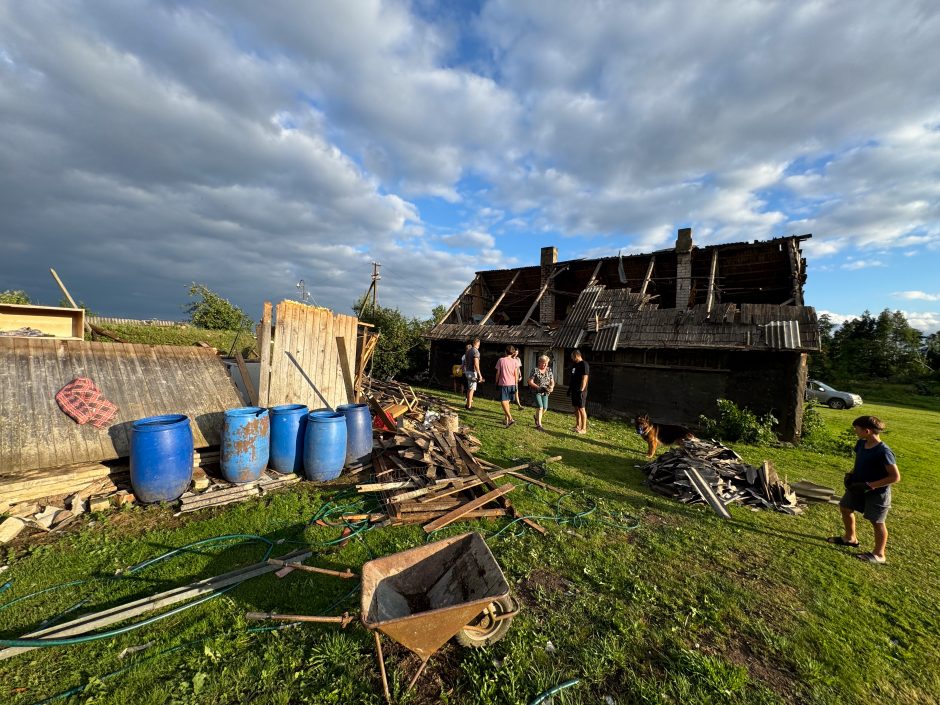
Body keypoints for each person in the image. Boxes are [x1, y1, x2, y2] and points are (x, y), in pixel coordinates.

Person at [827, 415, 901, 564]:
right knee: (845, 507)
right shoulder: (861, 443)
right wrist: (851, 474)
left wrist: (869, 485)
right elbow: (861, 461)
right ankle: (850, 538)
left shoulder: (884, 452)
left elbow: (895, 477)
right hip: (857, 486)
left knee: (877, 521)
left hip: (877, 492)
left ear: (867, 431)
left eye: (857, 429)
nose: (855, 431)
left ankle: (879, 555)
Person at [527, 354, 555, 431]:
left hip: (545, 391)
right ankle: (539, 425)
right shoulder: (535, 370)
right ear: (539, 362)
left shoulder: (549, 370)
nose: (545, 364)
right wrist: (538, 387)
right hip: (536, 391)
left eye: (546, 363)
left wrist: (552, 387)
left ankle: (536, 418)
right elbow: (529, 381)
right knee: (540, 407)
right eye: (543, 363)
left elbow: (552, 381)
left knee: (545, 408)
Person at [494, 345, 518, 427]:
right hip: (512, 384)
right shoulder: (515, 361)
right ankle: (506, 420)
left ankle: (510, 419)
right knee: (507, 402)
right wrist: (516, 384)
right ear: (513, 353)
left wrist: (496, 382)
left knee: (503, 401)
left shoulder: (501, 360)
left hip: (503, 383)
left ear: (505, 351)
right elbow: (516, 374)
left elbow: (498, 373)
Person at [568, 349, 589, 434]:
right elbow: (572, 378)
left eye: (572, 357)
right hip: (574, 389)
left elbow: (585, 378)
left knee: (581, 409)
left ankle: (584, 429)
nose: (572, 358)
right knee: (576, 408)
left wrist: (581, 390)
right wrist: (570, 389)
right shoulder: (574, 365)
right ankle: (577, 426)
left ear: (576, 355)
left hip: (581, 391)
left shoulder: (584, 364)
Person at [463, 338, 483, 409]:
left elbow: (465, 362)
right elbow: (476, 364)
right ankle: (469, 406)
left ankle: (467, 404)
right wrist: (480, 375)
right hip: (472, 372)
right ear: (478, 344)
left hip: (467, 371)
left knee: (469, 389)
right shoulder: (476, 351)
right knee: (472, 389)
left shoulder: (468, 351)